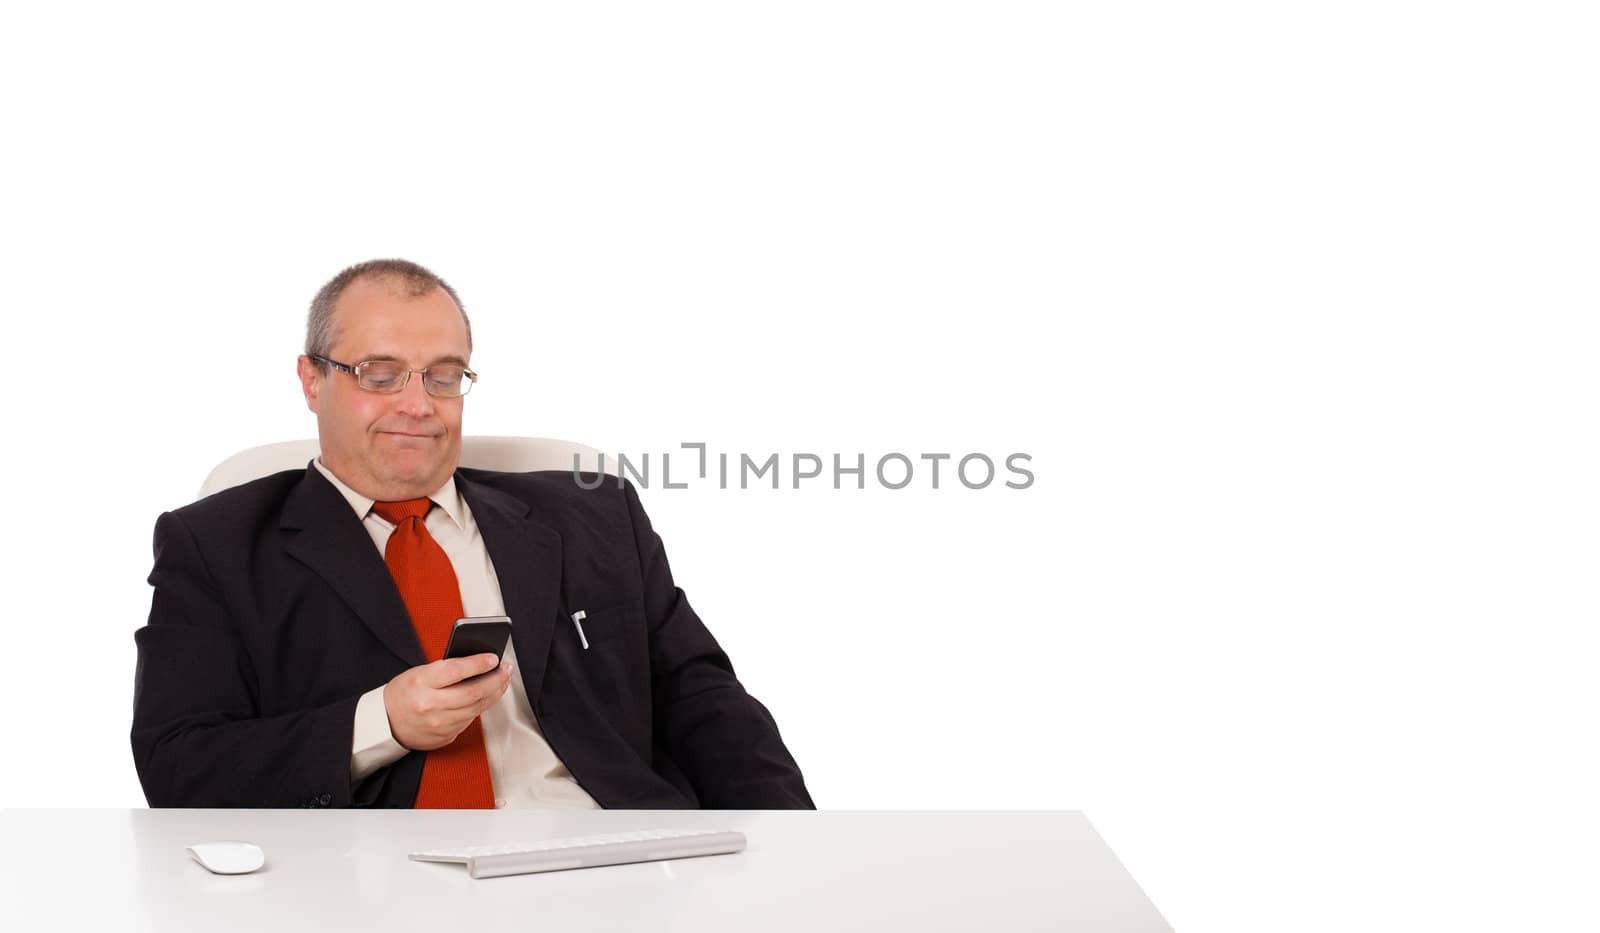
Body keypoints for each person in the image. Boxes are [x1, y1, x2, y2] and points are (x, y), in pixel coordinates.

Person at [130, 259, 814, 809]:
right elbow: (178, 765)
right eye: (380, 372)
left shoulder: (595, 516)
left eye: (444, 374)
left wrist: (794, 854)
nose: (418, 403)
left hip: (610, 866)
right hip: (367, 890)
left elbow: (705, 702)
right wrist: (381, 723)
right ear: (312, 380)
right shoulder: (215, 547)